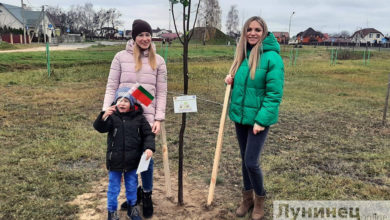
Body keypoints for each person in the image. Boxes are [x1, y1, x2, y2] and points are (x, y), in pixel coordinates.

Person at [102, 19, 167, 218]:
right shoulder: (120, 57)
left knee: (146, 157)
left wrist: (158, 118)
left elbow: (162, 92)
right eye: (140, 35)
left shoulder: (159, 60)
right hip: (124, 118)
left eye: (148, 34)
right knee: (128, 156)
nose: (145, 38)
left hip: (147, 118)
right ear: (134, 37)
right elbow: (112, 85)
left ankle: (146, 193)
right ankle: (133, 194)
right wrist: (107, 110)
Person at [224, 16, 284, 220]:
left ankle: (259, 200)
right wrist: (231, 82)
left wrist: (261, 120)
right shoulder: (242, 53)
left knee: (251, 162)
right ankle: (246, 198)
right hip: (241, 118)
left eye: (257, 30)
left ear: (264, 33)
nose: (252, 33)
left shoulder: (272, 58)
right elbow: (244, 86)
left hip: (259, 120)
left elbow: (274, 94)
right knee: (244, 160)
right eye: (249, 29)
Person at [93, 87, 155, 220]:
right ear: (115, 103)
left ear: (132, 104)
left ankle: (132, 209)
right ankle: (112, 212)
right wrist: (103, 116)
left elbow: (148, 134)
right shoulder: (112, 117)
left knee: (132, 186)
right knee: (113, 188)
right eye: (119, 100)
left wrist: (149, 148)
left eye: (126, 101)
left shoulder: (139, 118)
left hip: (132, 161)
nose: (122, 103)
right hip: (114, 161)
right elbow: (100, 128)